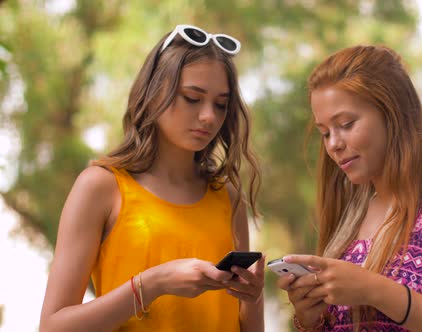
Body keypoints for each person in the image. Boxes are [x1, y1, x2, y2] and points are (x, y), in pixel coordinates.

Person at [39, 25, 264, 331]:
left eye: (221, 104)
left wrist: (252, 296)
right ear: (154, 92)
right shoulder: (102, 186)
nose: (210, 116)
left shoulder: (227, 196)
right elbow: (53, 327)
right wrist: (152, 284)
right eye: (192, 98)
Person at [278, 45, 422, 332]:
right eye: (325, 133)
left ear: (392, 113)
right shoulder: (351, 216)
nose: (334, 144)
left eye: (346, 124)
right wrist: (309, 317)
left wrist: (375, 290)